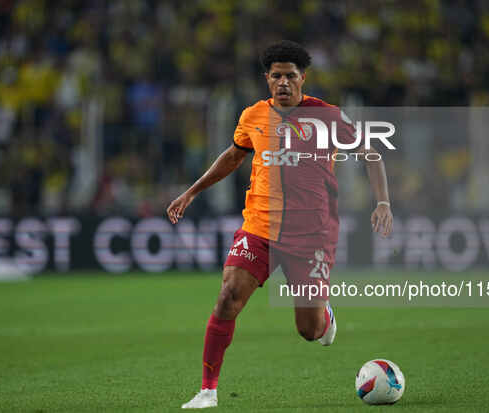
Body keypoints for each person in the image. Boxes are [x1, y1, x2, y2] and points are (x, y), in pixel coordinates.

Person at [167, 40, 393, 409]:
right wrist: (192, 191)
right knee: (227, 297)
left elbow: (371, 153)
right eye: (276, 76)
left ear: (303, 78)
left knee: (309, 331)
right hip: (259, 228)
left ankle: (325, 315)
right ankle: (208, 390)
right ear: (267, 79)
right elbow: (233, 155)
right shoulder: (253, 116)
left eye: (291, 75)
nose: (283, 82)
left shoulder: (329, 117)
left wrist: (382, 202)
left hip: (311, 236)